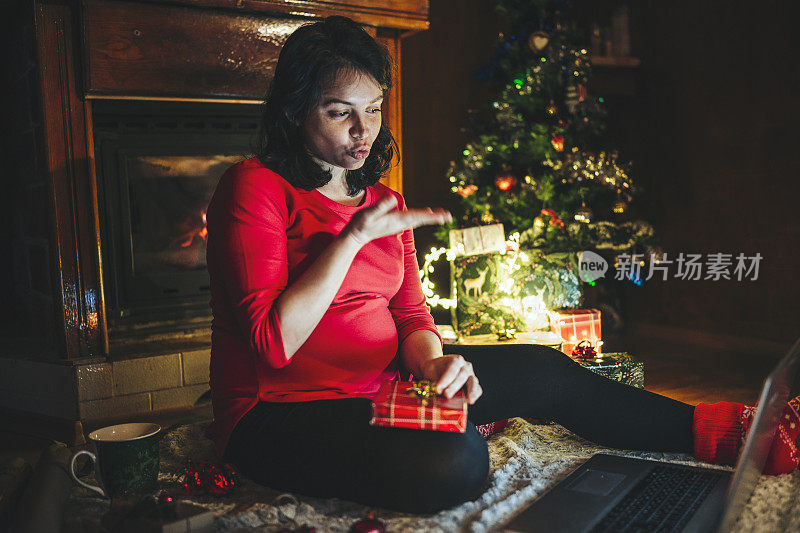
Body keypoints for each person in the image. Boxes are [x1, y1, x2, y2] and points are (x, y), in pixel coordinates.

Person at [204, 16, 800, 514]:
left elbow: (411, 315)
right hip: (275, 414)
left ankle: (735, 432)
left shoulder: (383, 201)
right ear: (295, 111)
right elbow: (272, 344)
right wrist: (353, 238)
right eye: (340, 113)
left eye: (375, 109)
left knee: (548, 372)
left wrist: (436, 369)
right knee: (458, 462)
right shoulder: (254, 187)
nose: (364, 131)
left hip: (386, 386)